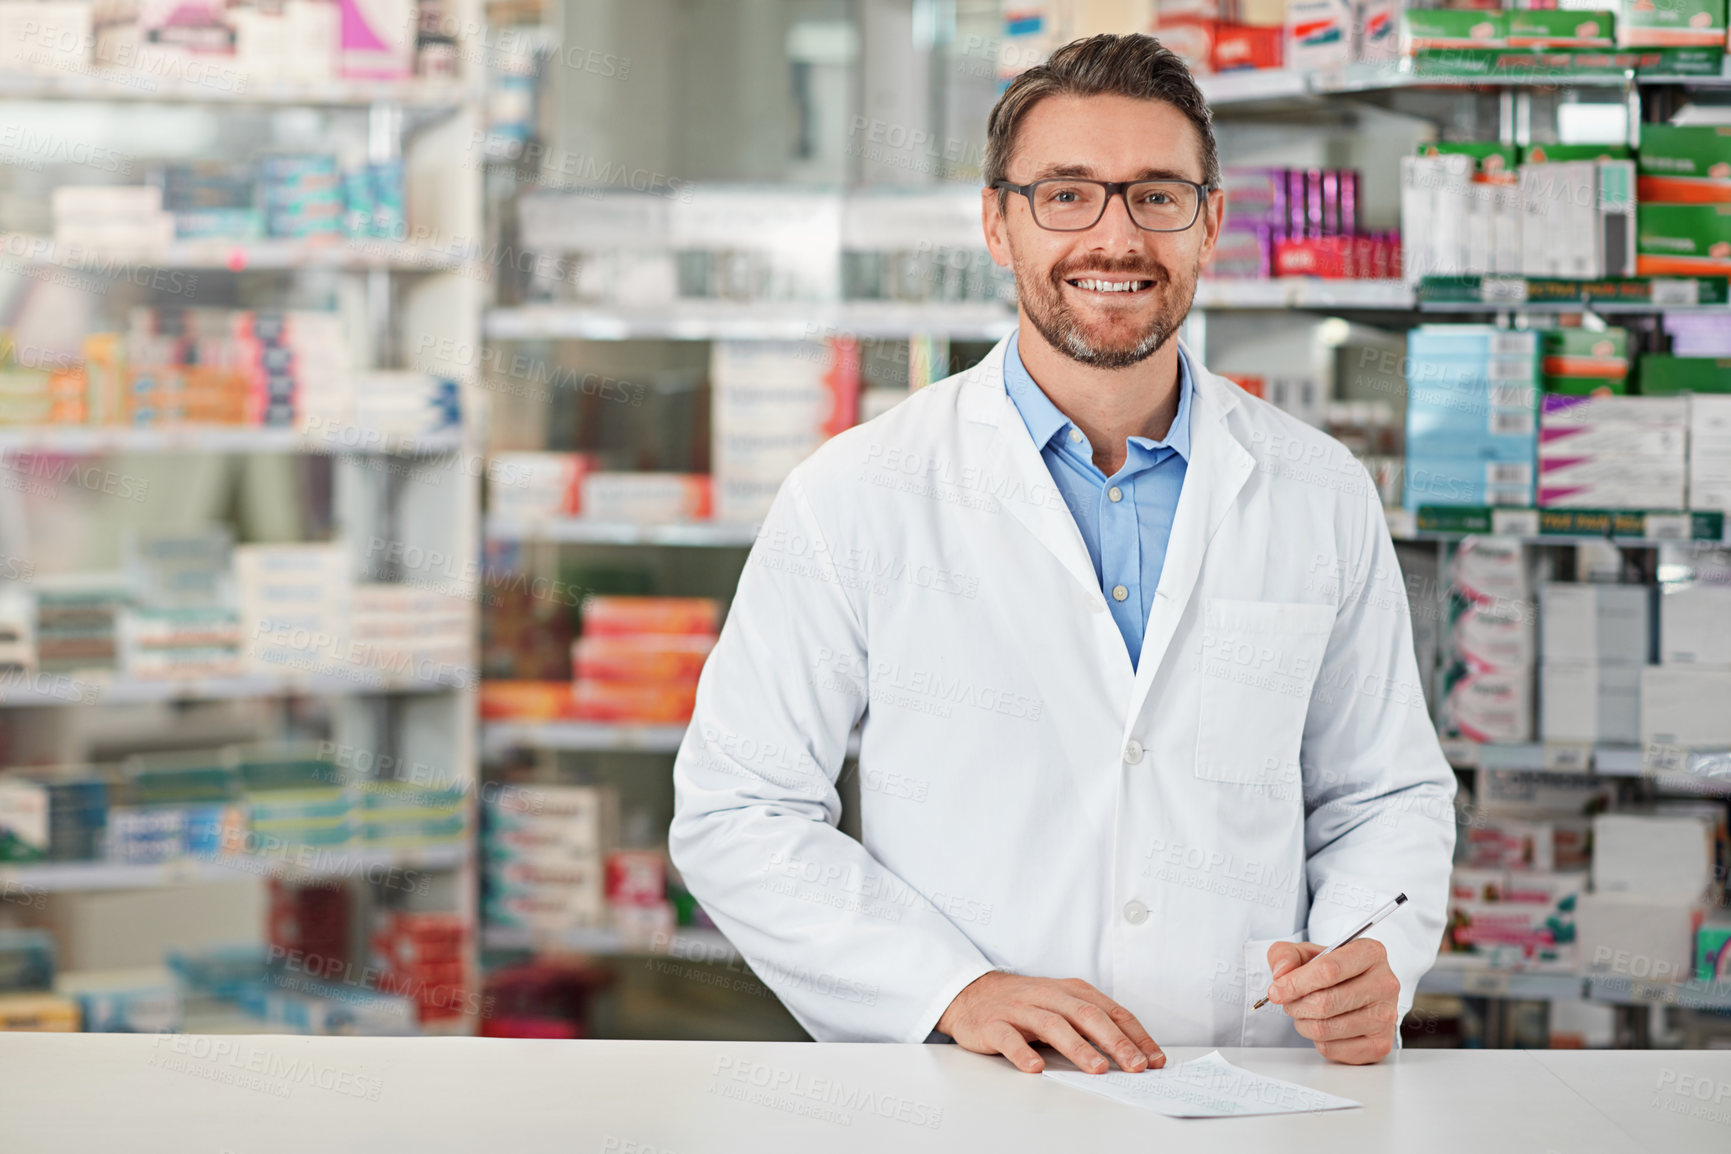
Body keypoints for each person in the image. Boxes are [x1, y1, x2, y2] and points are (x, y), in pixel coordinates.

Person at [670, 32, 1455, 1075]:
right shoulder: (856, 493)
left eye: (1158, 196)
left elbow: (1385, 793)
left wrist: (1372, 946)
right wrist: (951, 987)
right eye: (1067, 195)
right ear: (998, 221)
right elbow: (739, 808)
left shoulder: (1316, 489)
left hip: (1250, 1084)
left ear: (1210, 221)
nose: (1116, 237)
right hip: (981, 1086)